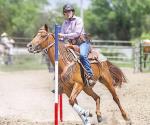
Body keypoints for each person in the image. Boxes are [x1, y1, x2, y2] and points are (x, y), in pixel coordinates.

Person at [58, 4, 95, 86]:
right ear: (64, 13)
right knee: (61, 57)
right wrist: (58, 39)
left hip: (82, 43)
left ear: (72, 12)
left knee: (82, 55)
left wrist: (63, 36)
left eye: (69, 11)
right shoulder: (65, 23)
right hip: (71, 43)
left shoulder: (79, 20)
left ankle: (90, 75)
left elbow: (77, 33)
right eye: (66, 12)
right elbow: (62, 36)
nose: (68, 13)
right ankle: (60, 81)